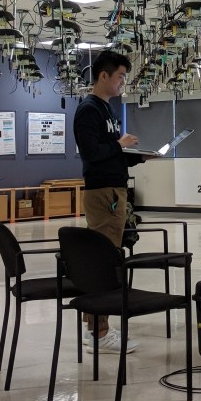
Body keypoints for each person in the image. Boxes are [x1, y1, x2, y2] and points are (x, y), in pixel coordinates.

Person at [73, 49, 145, 352]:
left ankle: (97, 329)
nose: (121, 84)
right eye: (119, 77)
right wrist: (120, 144)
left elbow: (110, 155)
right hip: (102, 193)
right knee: (103, 261)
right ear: (103, 76)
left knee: (109, 257)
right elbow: (92, 154)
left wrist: (136, 157)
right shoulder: (89, 110)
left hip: (113, 188)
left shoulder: (107, 110)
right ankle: (99, 333)